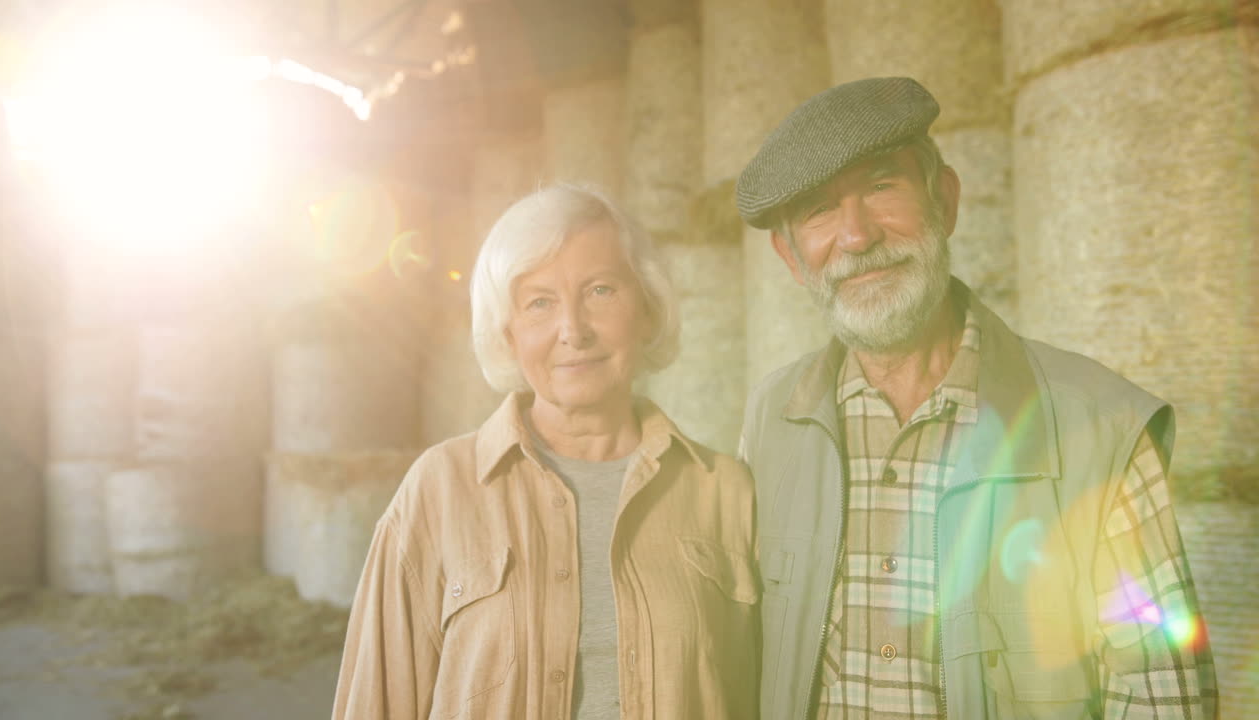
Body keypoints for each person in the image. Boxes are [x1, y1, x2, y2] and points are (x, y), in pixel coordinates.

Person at [734, 77, 1217, 719]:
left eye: (882, 187)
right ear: (791, 258)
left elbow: (1164, 697)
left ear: (946, 200)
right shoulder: (770, 422)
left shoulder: (1100, 428)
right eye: (819, 212)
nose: (856, 236)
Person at [332, 184, 760, 719]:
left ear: (647, 310)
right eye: (539, 303)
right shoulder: (437, 490)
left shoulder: (724, 492)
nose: (572, 330)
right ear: (508, 335)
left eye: (601, 290)